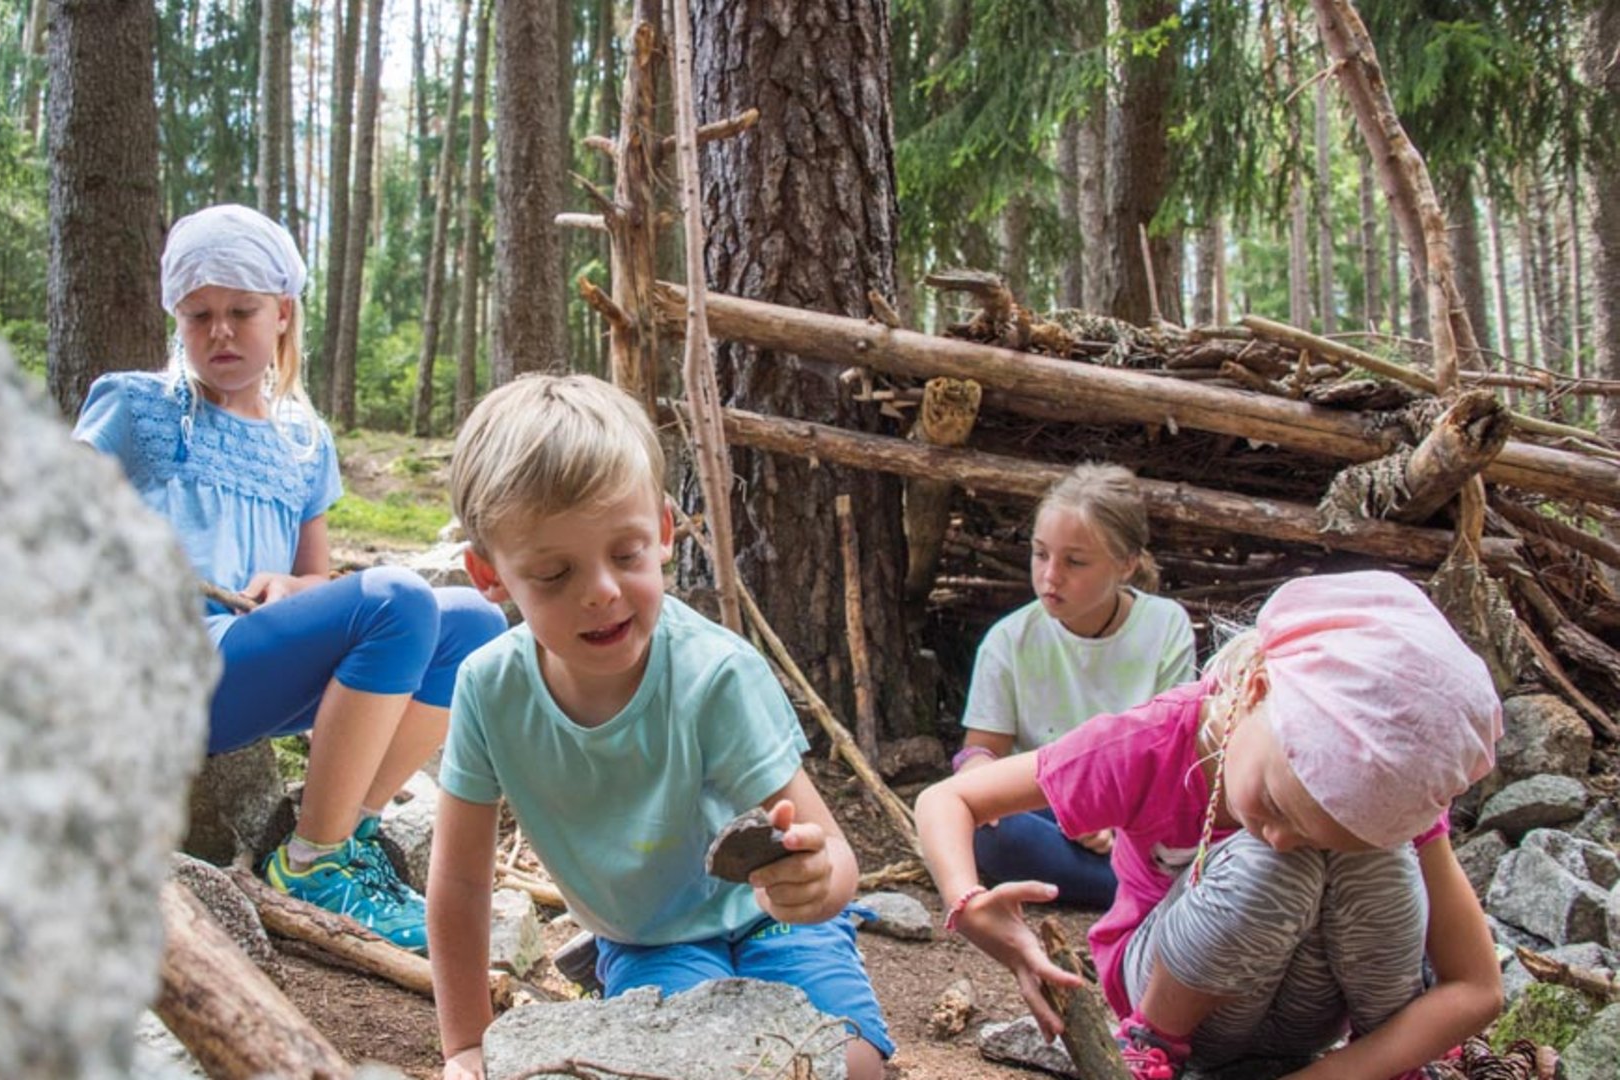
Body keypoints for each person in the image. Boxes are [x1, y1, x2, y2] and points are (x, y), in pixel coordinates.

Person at [427, 374, 892, 1080]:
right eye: (553, 574)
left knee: (848, 1068)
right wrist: (465, 1043)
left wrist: (813, 883)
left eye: (626, 554)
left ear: (666, 531)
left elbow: (834, 858)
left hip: (777, 923)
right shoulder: (489, 690)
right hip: (648, 940)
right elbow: (460, 883)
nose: (602, 591)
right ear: (490, 576)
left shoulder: (715, 676)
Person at [72, 204, 505, 953]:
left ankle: (344, 835)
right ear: (177, 318)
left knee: (474, 621)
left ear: (282, 314)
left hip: (255, 662)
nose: (220, 332)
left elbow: (317, 577)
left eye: (242, 311)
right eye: (199, 314)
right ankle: (309, 865)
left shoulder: (303, 440)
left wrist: (294, 589)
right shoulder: (137, 408)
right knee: (399, 596)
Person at [917, 571, 1503, 1080]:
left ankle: (1394, 1062)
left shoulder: (1384, 791)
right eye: (1274, 804)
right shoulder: (1154, 741)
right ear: (1255, 690)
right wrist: (968, 903)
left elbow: (1476, 987)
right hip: (1170, 989)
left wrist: (1340, 1072)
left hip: (1309, 1014)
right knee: (1274, 863)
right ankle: (1151, 1049)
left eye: (1318, 831)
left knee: (1383, 857)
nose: (1280, 832)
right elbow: (949, 800)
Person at [959, 463, 1195, 907]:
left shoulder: (1165, 626)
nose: (1050, 576)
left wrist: (1106, 815)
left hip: (1134, 814)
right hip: (1046, 804)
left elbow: (1171, 757)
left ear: (1126, 565)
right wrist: (974, 770)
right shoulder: (1009, 640)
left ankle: (1132, 884)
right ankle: (1142, 891)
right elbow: (982, 752)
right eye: (1040, 554)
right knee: (994, 831)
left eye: (1075, 562)